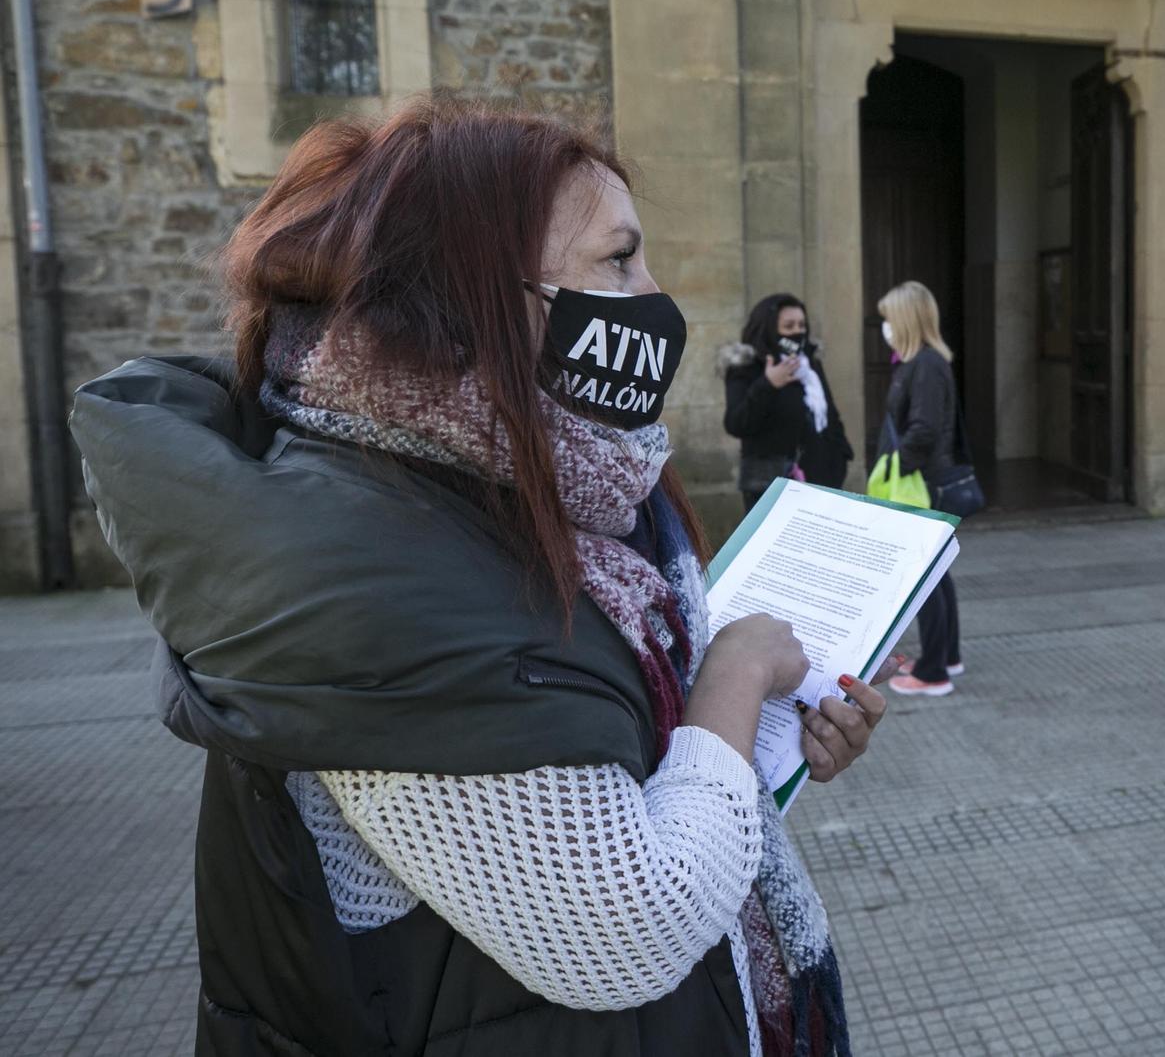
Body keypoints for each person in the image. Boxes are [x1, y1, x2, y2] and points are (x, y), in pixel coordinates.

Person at [70, 100, 879, 1056]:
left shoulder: (575, 478)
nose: (658, 295)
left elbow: (626, 740)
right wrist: (738, 675)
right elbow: (635, 921)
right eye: (619, 260)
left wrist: (770, 732)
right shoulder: (375, 579)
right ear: (477, 297)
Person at [876, 280, 966, 697]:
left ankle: (932, 673)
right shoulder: (919, 362)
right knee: (936, 574)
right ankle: (946, 655)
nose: (886, 327)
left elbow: (924, 429)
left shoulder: (926, 365)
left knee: (923, 579)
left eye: (889, 318)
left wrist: (896, 467)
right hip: (920, 481)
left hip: (918, 486)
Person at [720, 293, 855, 513]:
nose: (797, 332)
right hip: (770, 488)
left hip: (820, 484)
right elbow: (736, 423)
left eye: (802, 325)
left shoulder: (809, 364)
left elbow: (830, 414)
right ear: (769, 329)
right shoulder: (746, 367)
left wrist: (841, 455)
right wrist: (768, 384)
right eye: (788, 326)